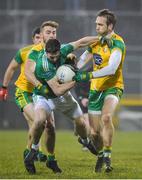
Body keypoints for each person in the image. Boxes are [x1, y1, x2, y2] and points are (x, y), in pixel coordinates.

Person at [24, 35, 103, 174]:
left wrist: (101, 38)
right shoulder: (44, 64)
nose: (54, 59)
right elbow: (57, 90)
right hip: (45, 96)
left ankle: (84, 141)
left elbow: (81, 42)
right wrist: (76, 78)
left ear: (59, 51)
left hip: (64, 97)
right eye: (51, 57)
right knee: (40, 121)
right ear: (46, 52)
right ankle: (34, 150)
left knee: (81, 124)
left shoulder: (64, 50)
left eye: (56, 56)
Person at [74, 9, 126, 173]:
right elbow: (82, 60)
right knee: (95, 133)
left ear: (110, 26)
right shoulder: (96, 42)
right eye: (96, 23)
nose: (96, 27)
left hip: (113, 86)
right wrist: (72, 69)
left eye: (100, 24)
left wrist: (88, 75)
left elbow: (111, 69)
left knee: (106, 117)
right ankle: (101, 154)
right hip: (95, 89)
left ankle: (108, 155)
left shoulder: (118, 44)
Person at [0, 27, 48, 162]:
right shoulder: (25, 51)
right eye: (37, 37)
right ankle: (29, 151)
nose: (39, 40)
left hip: (38, 94)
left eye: (41, 37)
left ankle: (35, 151)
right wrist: (4, 87)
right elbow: (11, 68)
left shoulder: (48, 52)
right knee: (39, 121)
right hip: (23, 92)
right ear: (33, 39)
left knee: (35, 123)